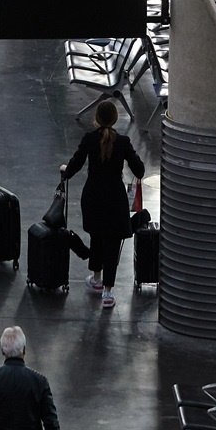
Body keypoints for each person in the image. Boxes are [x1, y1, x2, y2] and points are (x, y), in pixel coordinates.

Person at [59, 98, 147, 309]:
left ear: (96, 119)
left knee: (97, 236)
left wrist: (65, 171)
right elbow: (140, 170)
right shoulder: (123, 142)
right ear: (115, 119)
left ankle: (96, 278)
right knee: (112, 243)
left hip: (93, 197)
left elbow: (75, 164)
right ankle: (108, 292)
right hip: (115, 199)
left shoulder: (89, 139)